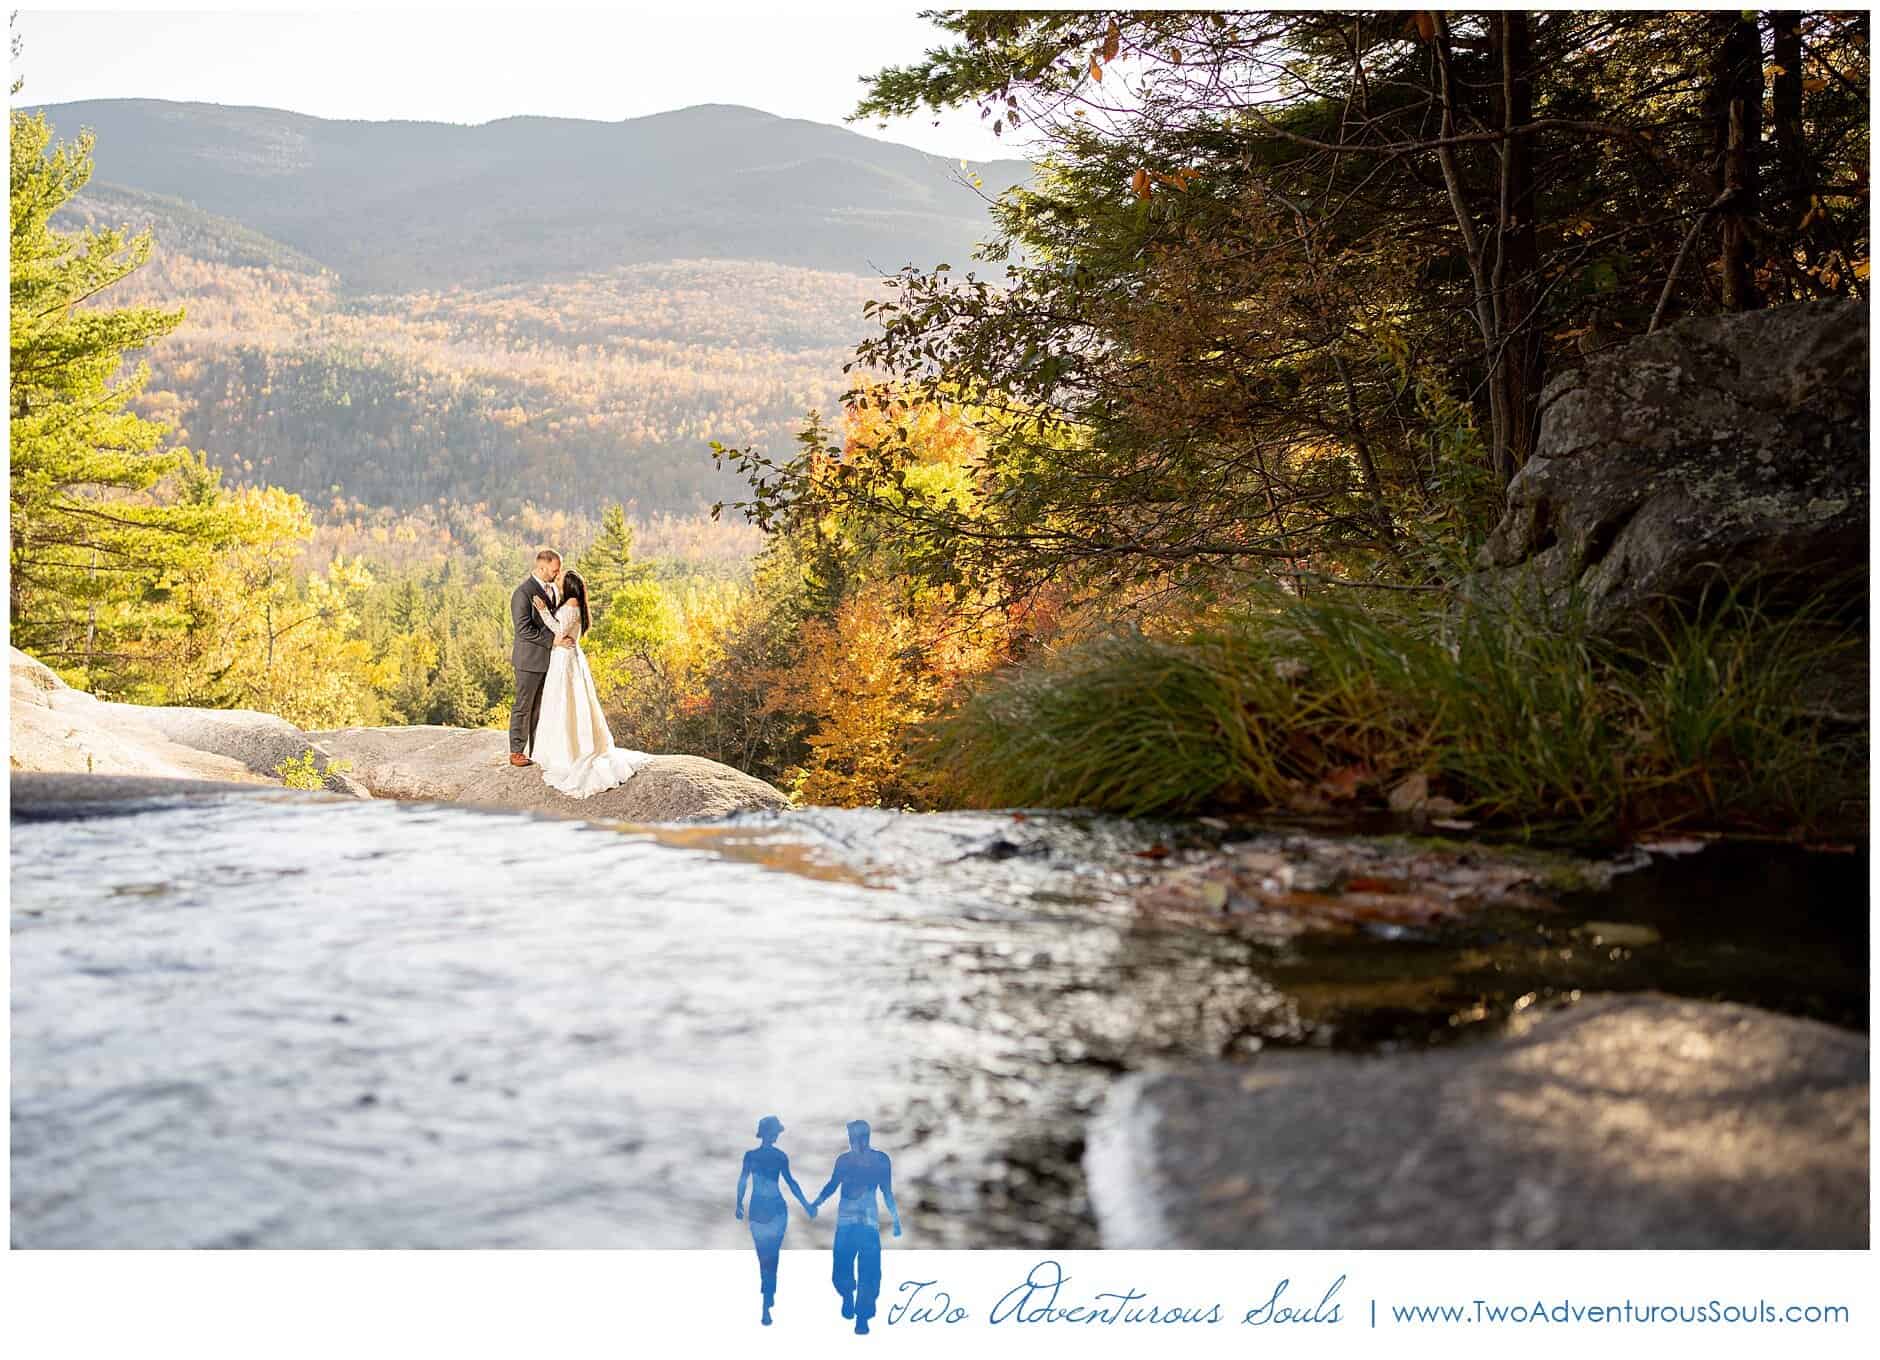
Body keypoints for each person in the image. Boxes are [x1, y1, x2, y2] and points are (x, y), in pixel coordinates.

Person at [528, 566, 654, 797]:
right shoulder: (574, 604)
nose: (558, 578)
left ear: (569, 586)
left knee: (563, 701)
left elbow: (558, 633)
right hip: (568, 657)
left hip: (564, 659)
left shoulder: (572, 605)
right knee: (568, 702)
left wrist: (544, 612)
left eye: (562, 578)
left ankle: (565, 752)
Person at [809, 1120, 902, 1336]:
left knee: (867, 1270)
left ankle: (862, 1316)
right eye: (850, 1138)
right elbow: (832, 1185)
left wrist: (896, 1219)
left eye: (855, 1138)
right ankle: (849, 1296)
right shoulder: (847, 1161)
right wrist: (817, 1202)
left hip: (865, 1225)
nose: (852, 1142)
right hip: (852, 1224)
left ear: (865, 1138)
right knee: (845, 1267)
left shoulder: (879, 1161)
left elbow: (887, 1192)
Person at [735, 1115, 815, 1327]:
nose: (778, 1135)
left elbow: (743, 1181)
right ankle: (768, 1293)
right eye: (776, 1132)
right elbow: (791, 1183)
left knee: (765, 1255)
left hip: (761, 1208)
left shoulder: (751, 1156)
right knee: (771, 1255)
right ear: (771, 1133)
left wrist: (739, 1203)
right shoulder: (779, 1157)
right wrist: (806, 1205)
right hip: (775, 1208)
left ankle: (767, 1294)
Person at [507, 549, 574, 766]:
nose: (558, 574)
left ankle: (538, 750)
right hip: (529, 661)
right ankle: (516, 751)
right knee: (524, 706)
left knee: (541, 708)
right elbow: (523, 629)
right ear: (542, 567)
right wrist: (552, 641)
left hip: (551, 661)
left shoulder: (553, 590)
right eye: (555, 570)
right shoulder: (522, 593)